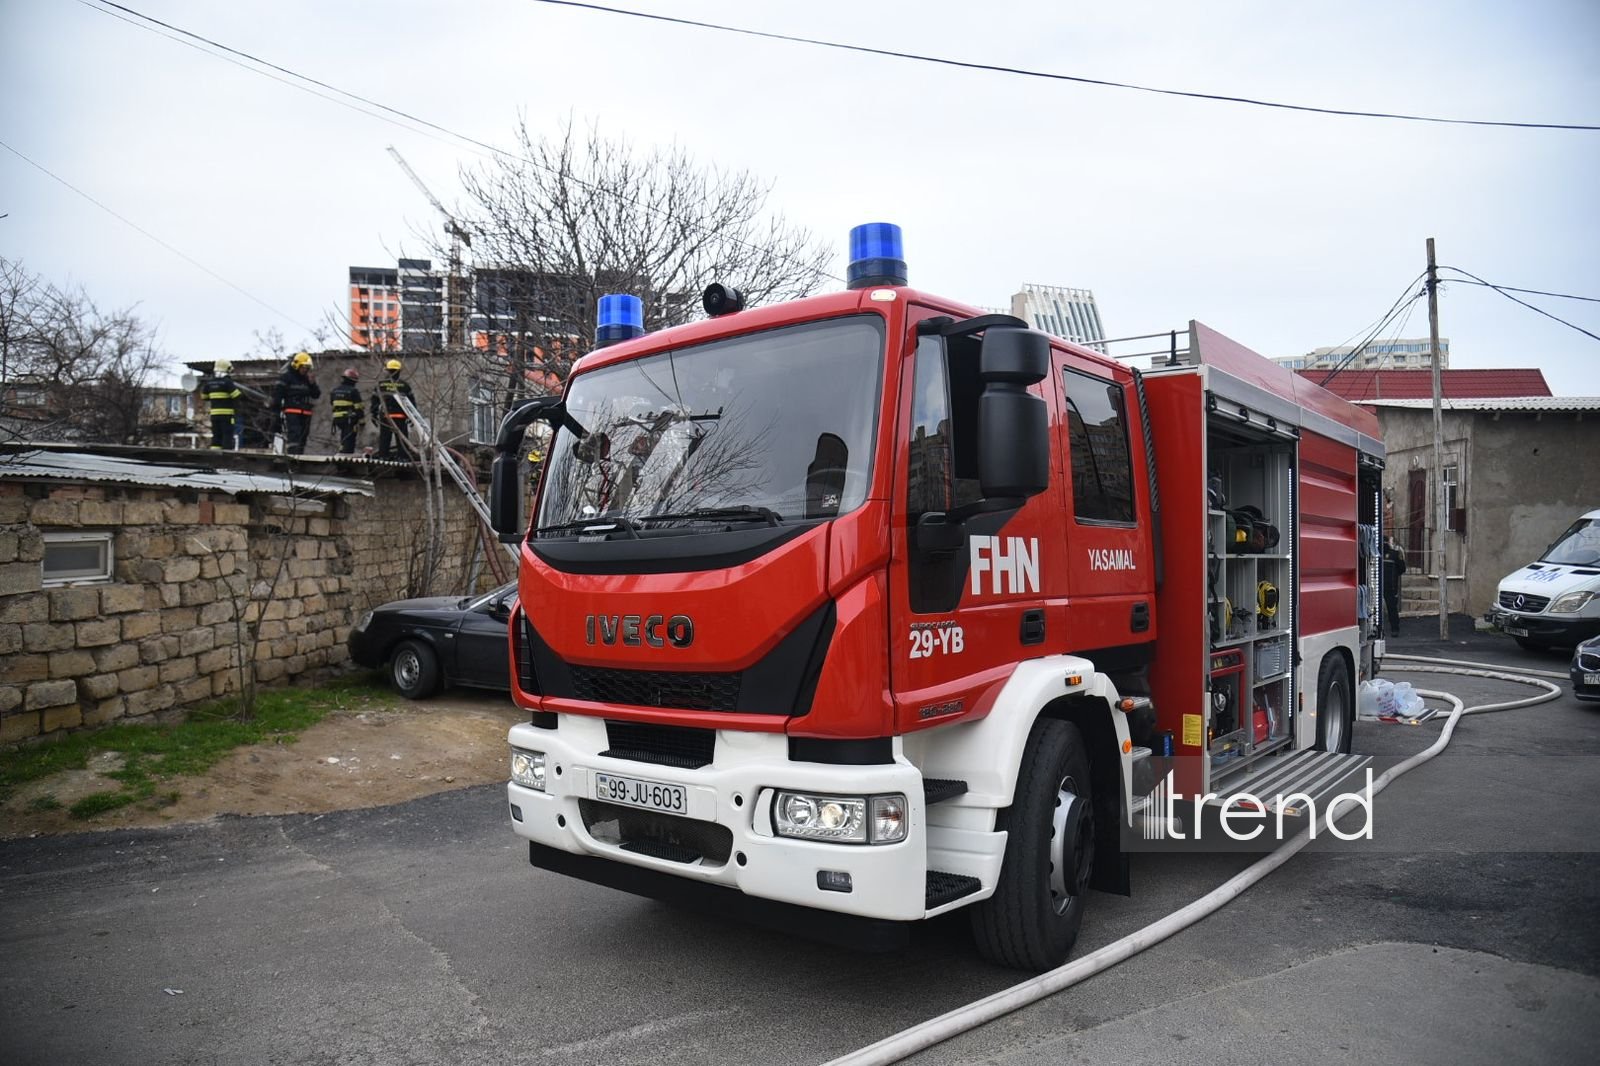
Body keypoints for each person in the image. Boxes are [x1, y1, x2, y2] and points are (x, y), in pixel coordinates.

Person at [273, 351, 321, 455]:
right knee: (294, 435)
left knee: (303, 437)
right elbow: (277, 396)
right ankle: (292, 456)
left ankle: (300, 456)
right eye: (304, 367)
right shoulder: (286, 377)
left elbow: (316, 395)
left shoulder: (307, 379)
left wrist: (313, 384)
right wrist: (277, 413)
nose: (306, 370)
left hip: (306, 413)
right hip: (292, 411)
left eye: (308, 368)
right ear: (297, 365)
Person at [371, 358, 415, 459]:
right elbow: (412, 403)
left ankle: (383, 457)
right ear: (399, 372)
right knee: (402, 439)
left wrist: (374, 414)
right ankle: (403, 458)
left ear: (388, 371)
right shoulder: (405, 385)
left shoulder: (381, 385)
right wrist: (412, 417)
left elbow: (374, 401)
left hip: (386, 417)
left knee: (385, 438)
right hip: (401, 417)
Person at [198, 359, 242, 450]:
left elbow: (204, 397)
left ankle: (215, 455)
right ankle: (226, 456)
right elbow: (237, 395)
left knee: (216, 436)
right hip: (227, 415)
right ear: (226, 368)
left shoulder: (209, 383)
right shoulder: (227, 382)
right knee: (227, 435)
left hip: (214, 415)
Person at [330, 367, 364, 455]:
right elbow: (358, 407)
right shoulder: (353, 391)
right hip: (349, 419)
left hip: (337, 419)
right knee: (349, 439)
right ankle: (346, 456)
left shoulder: (335, 390)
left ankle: (342, 450)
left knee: (343, 437)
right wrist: (362, 421)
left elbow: (332, 403)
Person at [1382, 534, 1407, 635]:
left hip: (1377, 585)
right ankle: (1394, 629)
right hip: (1390, 585)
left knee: (1375, 609)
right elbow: (1402, 569)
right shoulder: (1395, 554)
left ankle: (1376, 629)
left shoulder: (1374, 554)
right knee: (1392, 607)